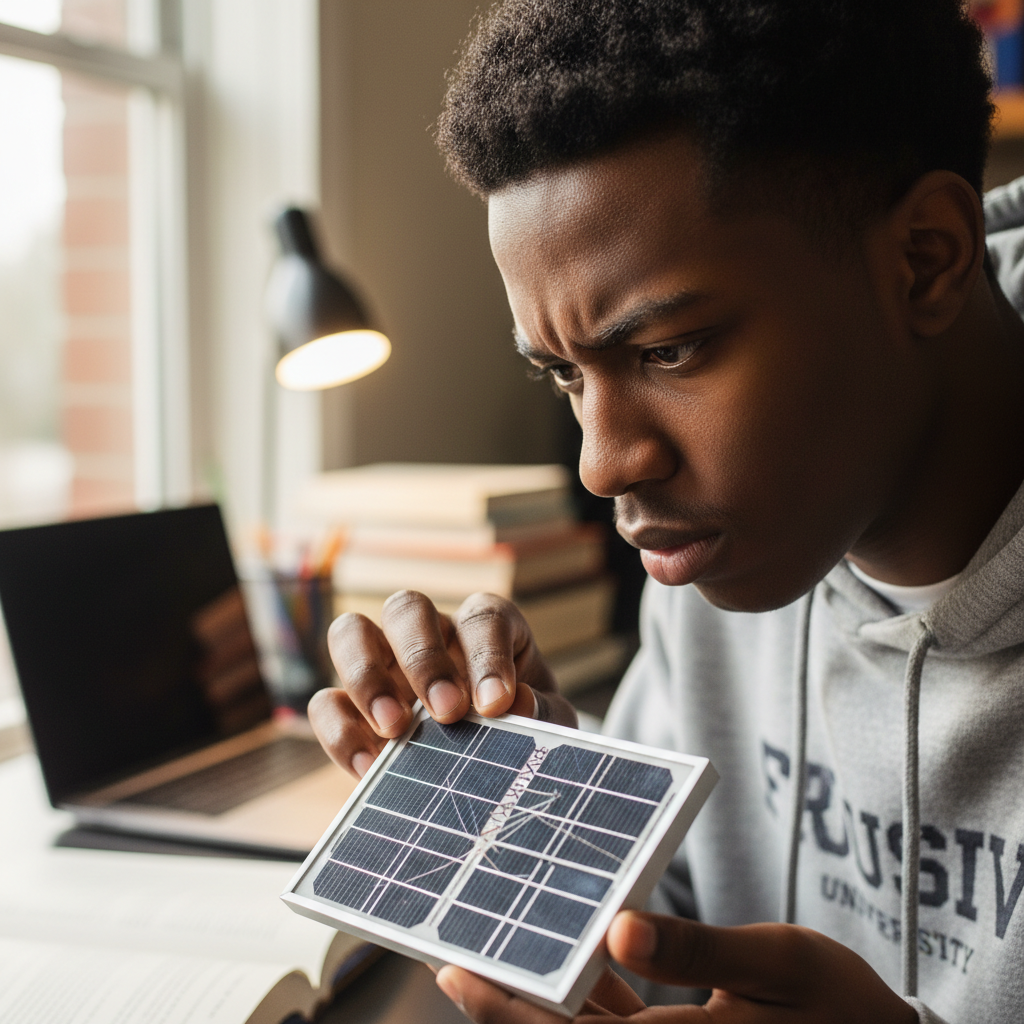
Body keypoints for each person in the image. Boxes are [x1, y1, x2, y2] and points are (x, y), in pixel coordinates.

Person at [308, 2, 1024, 1021]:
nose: (605, 466)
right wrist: (549, 832)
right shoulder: (722, 550)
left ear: (924, 261)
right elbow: (656, 967)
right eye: (562, 374)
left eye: (667, 352)